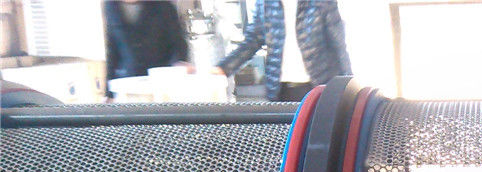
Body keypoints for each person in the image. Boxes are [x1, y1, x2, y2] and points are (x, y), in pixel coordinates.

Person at [214, 0, 351, 101]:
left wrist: (348, 85)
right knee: (286, 132)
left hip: (317, 87)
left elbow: (338, 42)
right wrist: (224, 67)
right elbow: (253, 39)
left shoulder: (321, 2)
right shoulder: (265, 2)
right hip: (280, 89)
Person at [103, 0, 190, 94]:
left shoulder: (163, 5)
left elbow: (178, 43)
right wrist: (108, 93)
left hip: (161, 83)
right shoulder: (111, 6)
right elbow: (112, 49)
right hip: (128, 83)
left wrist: (178, 65)